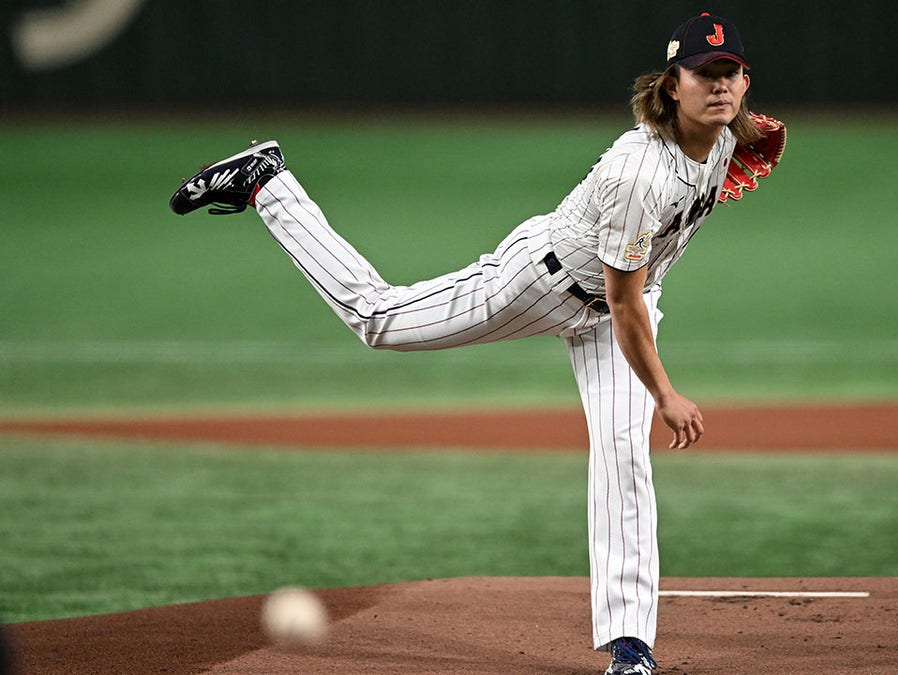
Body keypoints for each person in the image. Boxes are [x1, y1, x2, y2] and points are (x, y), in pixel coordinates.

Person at [169, 12, 782, 674]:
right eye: (703, 74)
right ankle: (268, 182)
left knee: (623, 453)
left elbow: (638, 288)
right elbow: (628, 300)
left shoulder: (721, 135)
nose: (719, 86)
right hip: (542, 280)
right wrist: (664, 391)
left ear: (745, 81)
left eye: (730, 73)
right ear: (670, 85)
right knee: (377, 319)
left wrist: (744, 134)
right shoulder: (640, 175)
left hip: (615, 306)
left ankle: (631, 647)